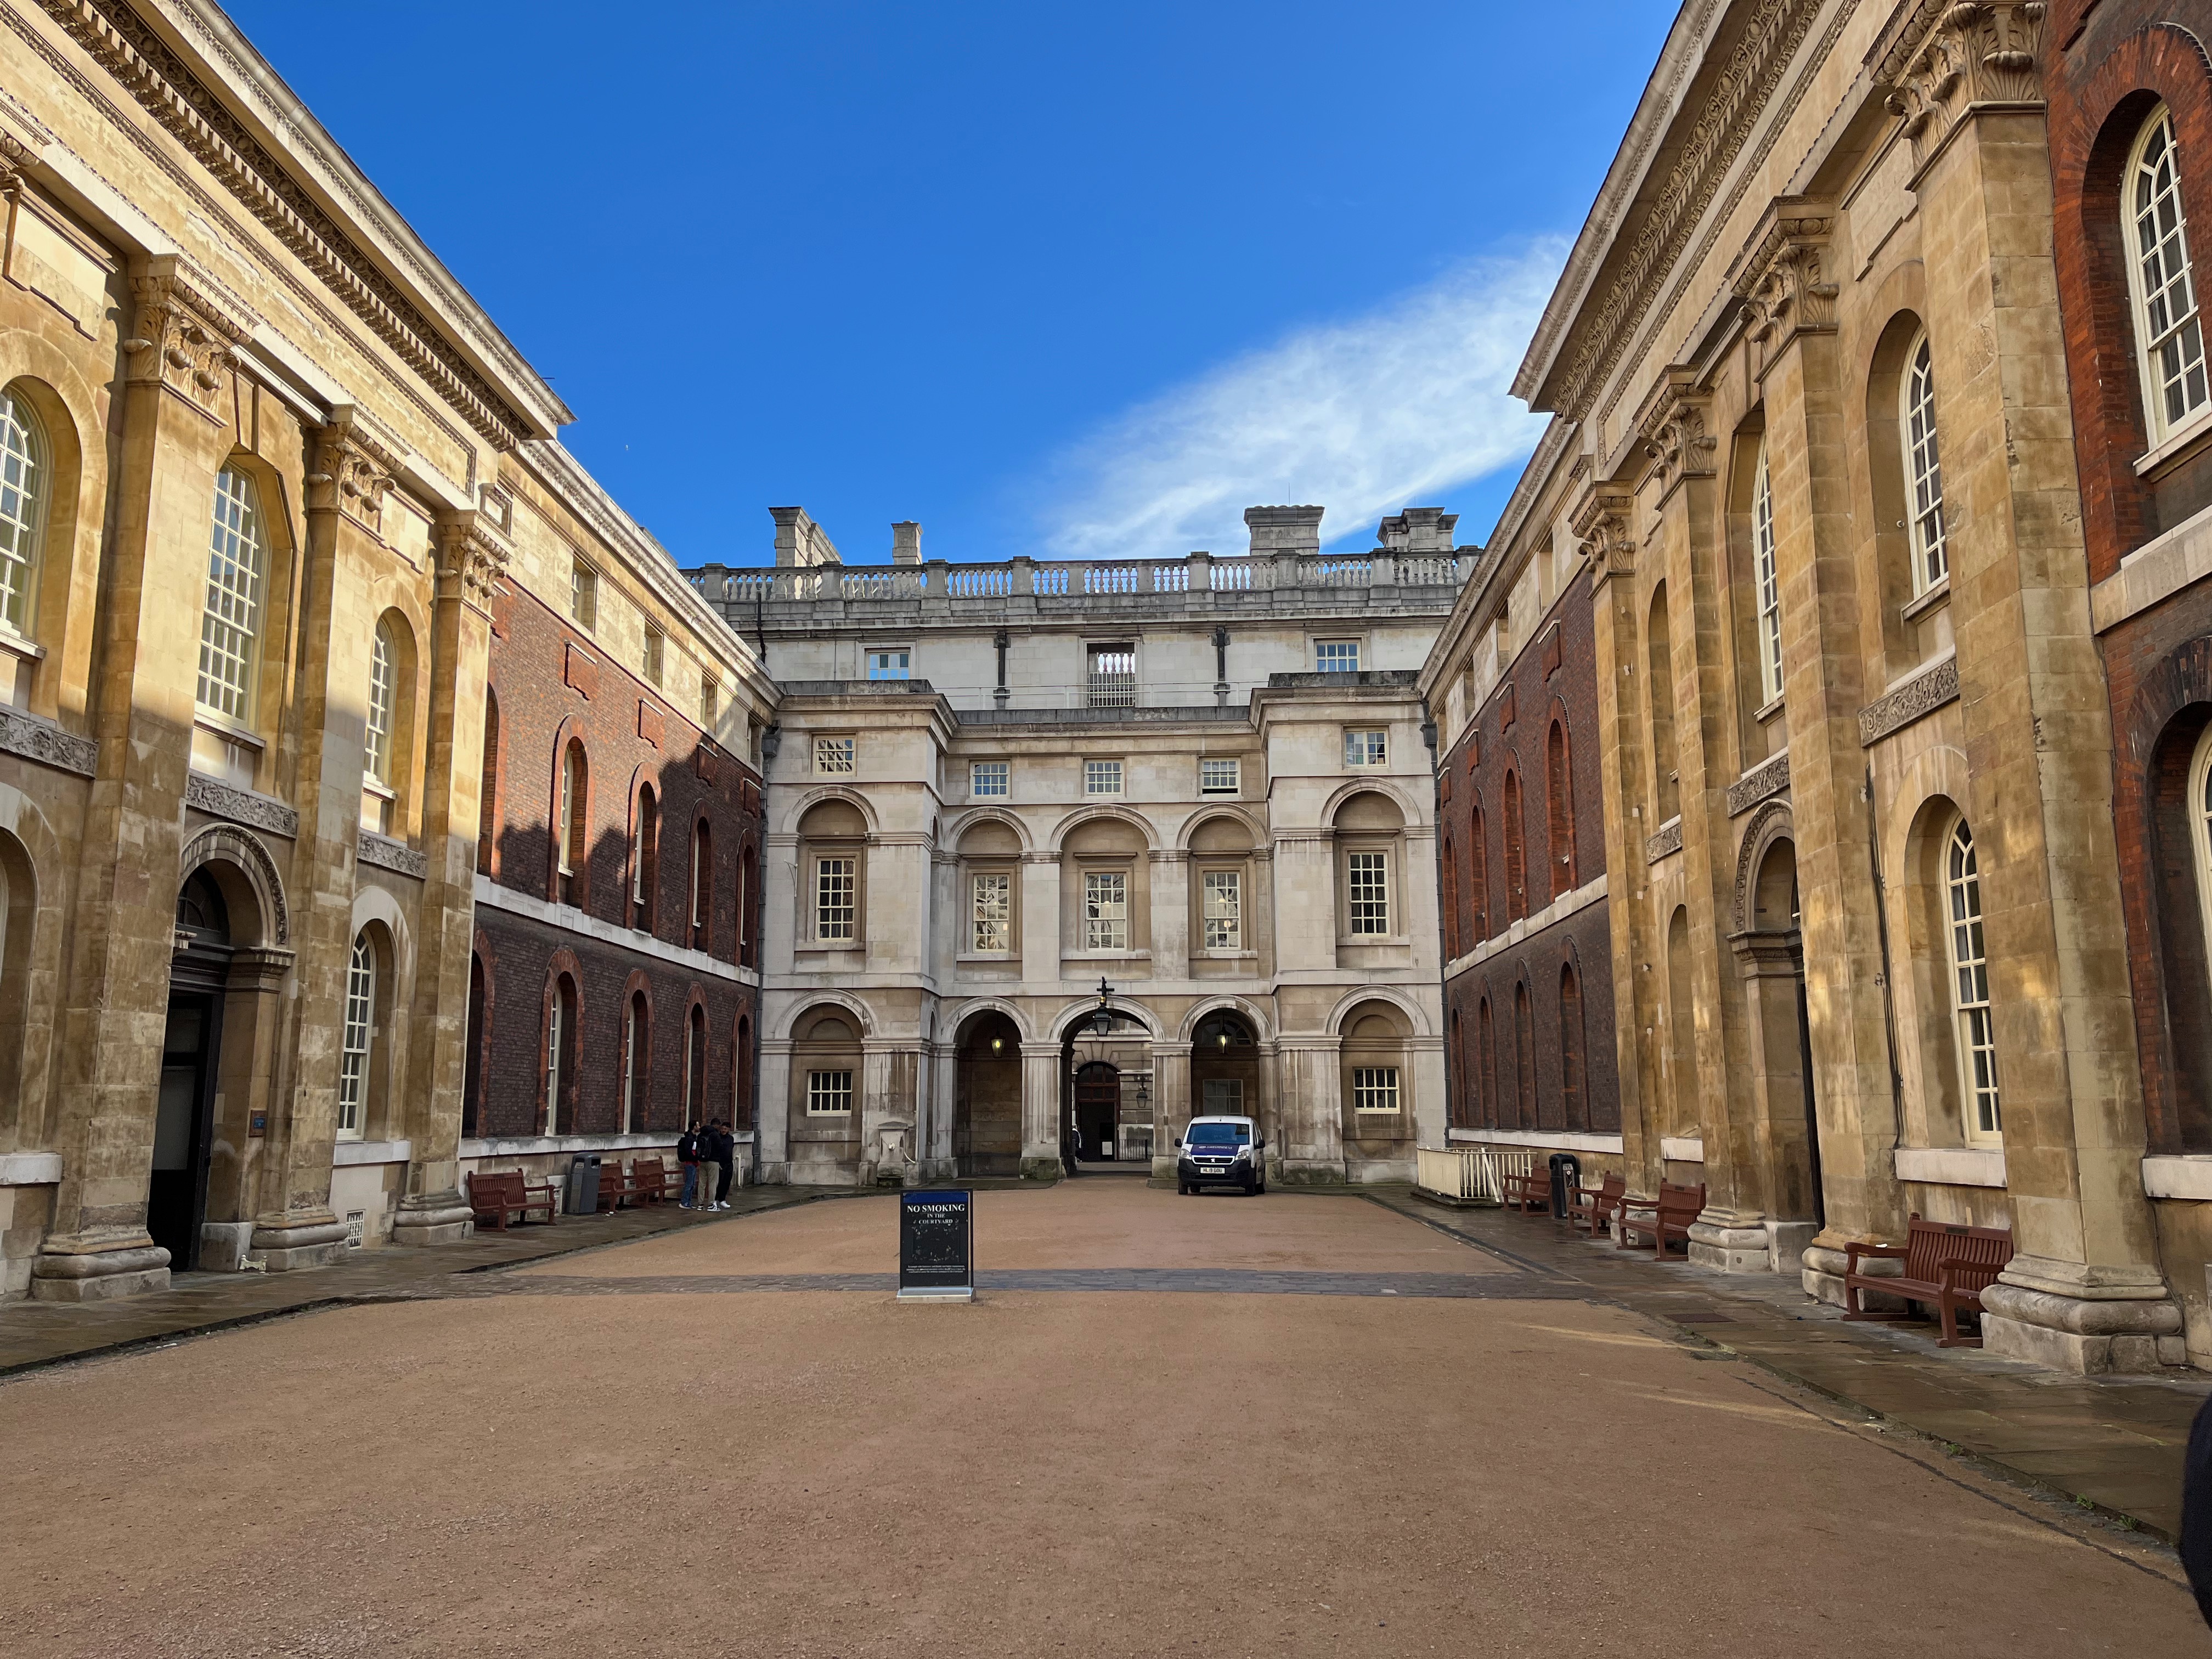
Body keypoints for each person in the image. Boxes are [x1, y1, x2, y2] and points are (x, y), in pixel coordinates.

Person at [710, 1117, 737, 1210]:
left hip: (729, 1163)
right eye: (722, 1129)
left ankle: (723, 1200)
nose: (723, 1131)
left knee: (727, 1182)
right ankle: (715, 1200)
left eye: (725, 1129)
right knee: (719, 1182)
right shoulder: (718, 1137)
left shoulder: (731, 1139)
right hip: (720, 1163)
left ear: (729, 1129)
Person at [676, 1119, 703, 1210]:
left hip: (693, 1163)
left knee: (692, 1184)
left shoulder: (693, 1137)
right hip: (690, 1163)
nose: (699, 1127)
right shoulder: (689, 1138)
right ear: (694, 1127)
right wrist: (695, 1158)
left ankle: (689, 1202)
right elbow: (689, 1151)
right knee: (689, 1183)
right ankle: (684, 1202)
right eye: (698, 1126)